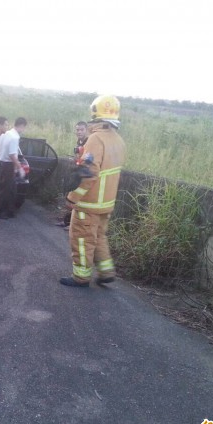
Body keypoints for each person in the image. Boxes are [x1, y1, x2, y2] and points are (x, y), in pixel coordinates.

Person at [60, 95, 126, 287]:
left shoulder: (96, 139)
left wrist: (72, 197)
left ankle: (81, 277)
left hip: (89, 203)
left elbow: (89, 173)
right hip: (106, 203)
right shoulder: (118, 140)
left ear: (95, 114)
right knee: (99, 237)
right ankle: (106, 272)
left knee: (82, 239)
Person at [56, 121, 89, 230]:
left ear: (86, 130)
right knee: (70, 199)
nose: (79, 132)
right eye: (77, 130)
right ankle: (67, 221)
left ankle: (72, 225)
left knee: (75, 201)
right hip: (76, 173)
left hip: (82, 175)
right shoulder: (79, 141)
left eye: (81, 130)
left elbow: (87, 160)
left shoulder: (88, 142)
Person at [0, 117, 27, 219]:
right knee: (6, 190)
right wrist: (19, 167)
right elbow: (13, 155)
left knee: (11, 189)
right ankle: (0, 212)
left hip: (2, 163)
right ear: (22, 126)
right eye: (24, 127)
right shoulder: (14, 137)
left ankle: (9, 211)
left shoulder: (7, 134)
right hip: (8, 164)